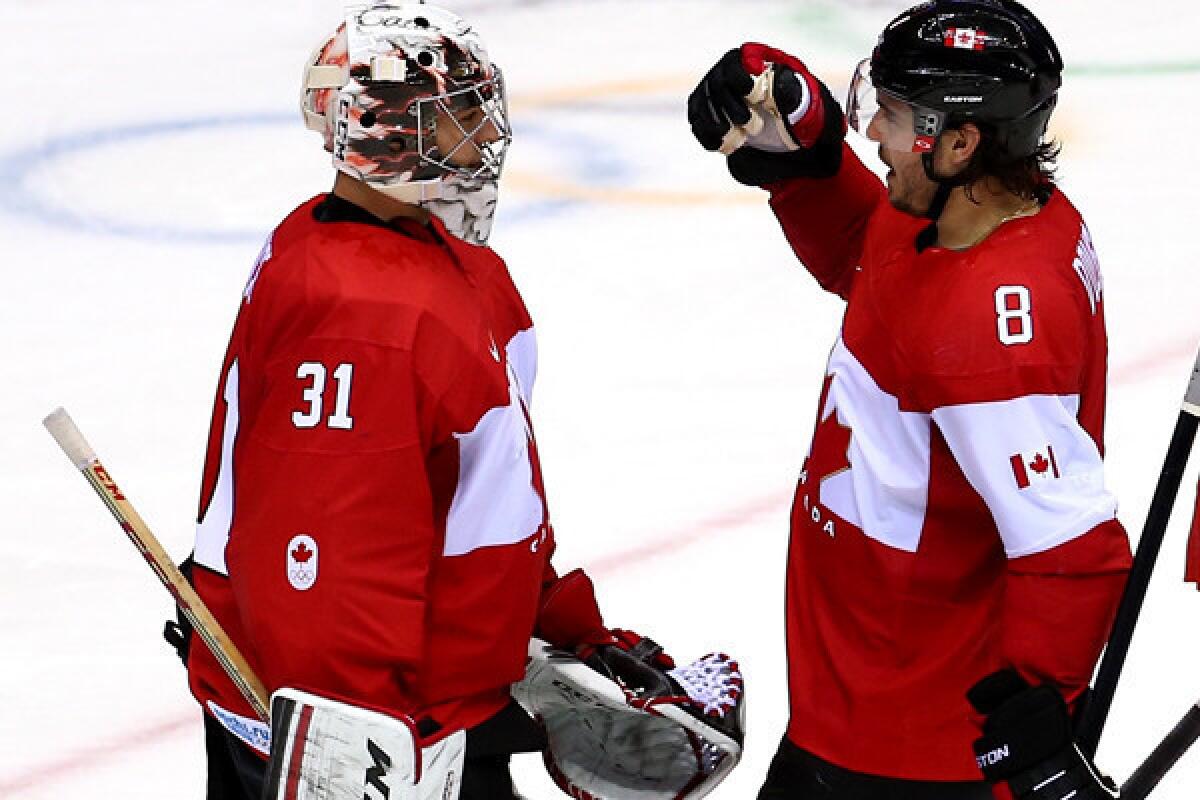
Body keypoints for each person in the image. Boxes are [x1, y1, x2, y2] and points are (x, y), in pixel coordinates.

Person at [172, 5, 697, 798]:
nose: (483, 137)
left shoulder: (445, 267)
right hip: (371, 733)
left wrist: (556, 623)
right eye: (455, 115)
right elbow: (320, 555)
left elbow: (481, 493)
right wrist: (352, 735)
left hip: (434, 703)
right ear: (384, 131)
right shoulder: (362, 312)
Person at [688, 1, 1132, 798]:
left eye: (889, 115)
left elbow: (1070, 548)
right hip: (858, 700)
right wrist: (799, 136)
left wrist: (1031, 736)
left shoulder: (993, 336)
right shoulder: (969, 218)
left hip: (910, 748)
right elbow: (875, 264)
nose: (871, 134)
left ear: (959, 141)